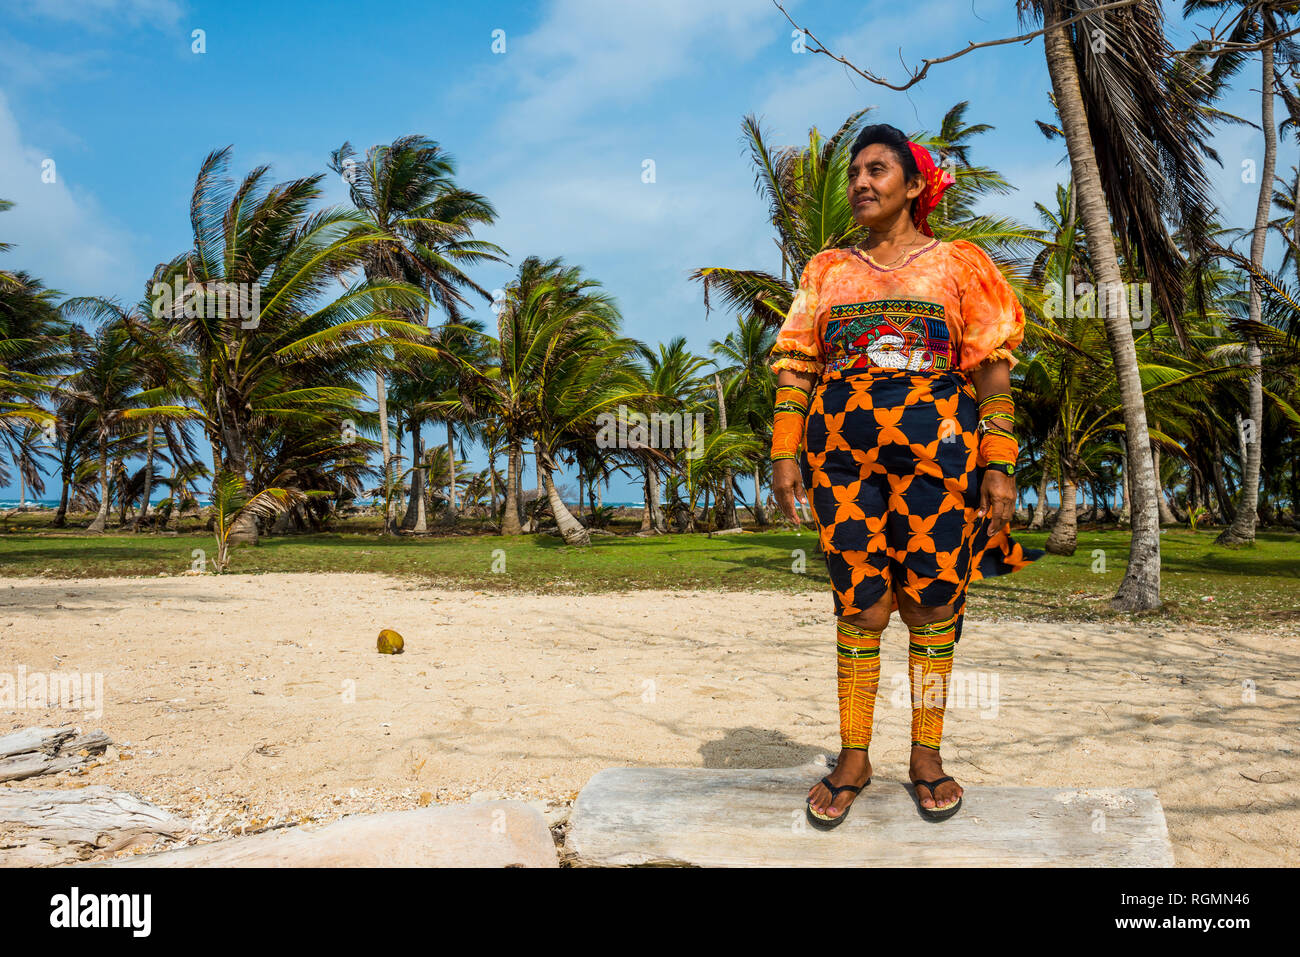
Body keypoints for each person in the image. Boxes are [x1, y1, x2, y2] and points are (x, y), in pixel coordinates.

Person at [769, 123, 1043, 827]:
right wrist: (784, 450)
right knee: (859, 605)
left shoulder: (959, 264)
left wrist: (1000, 465)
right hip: (842, 468)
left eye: (878, 170)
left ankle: (925, 757)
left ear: (915, 185)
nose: (861, 182)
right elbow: (798, 362)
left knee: (929, 603)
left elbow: (991, 369)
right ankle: (854, 756)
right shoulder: (826, 270)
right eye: (855, 171)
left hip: (941, 462)